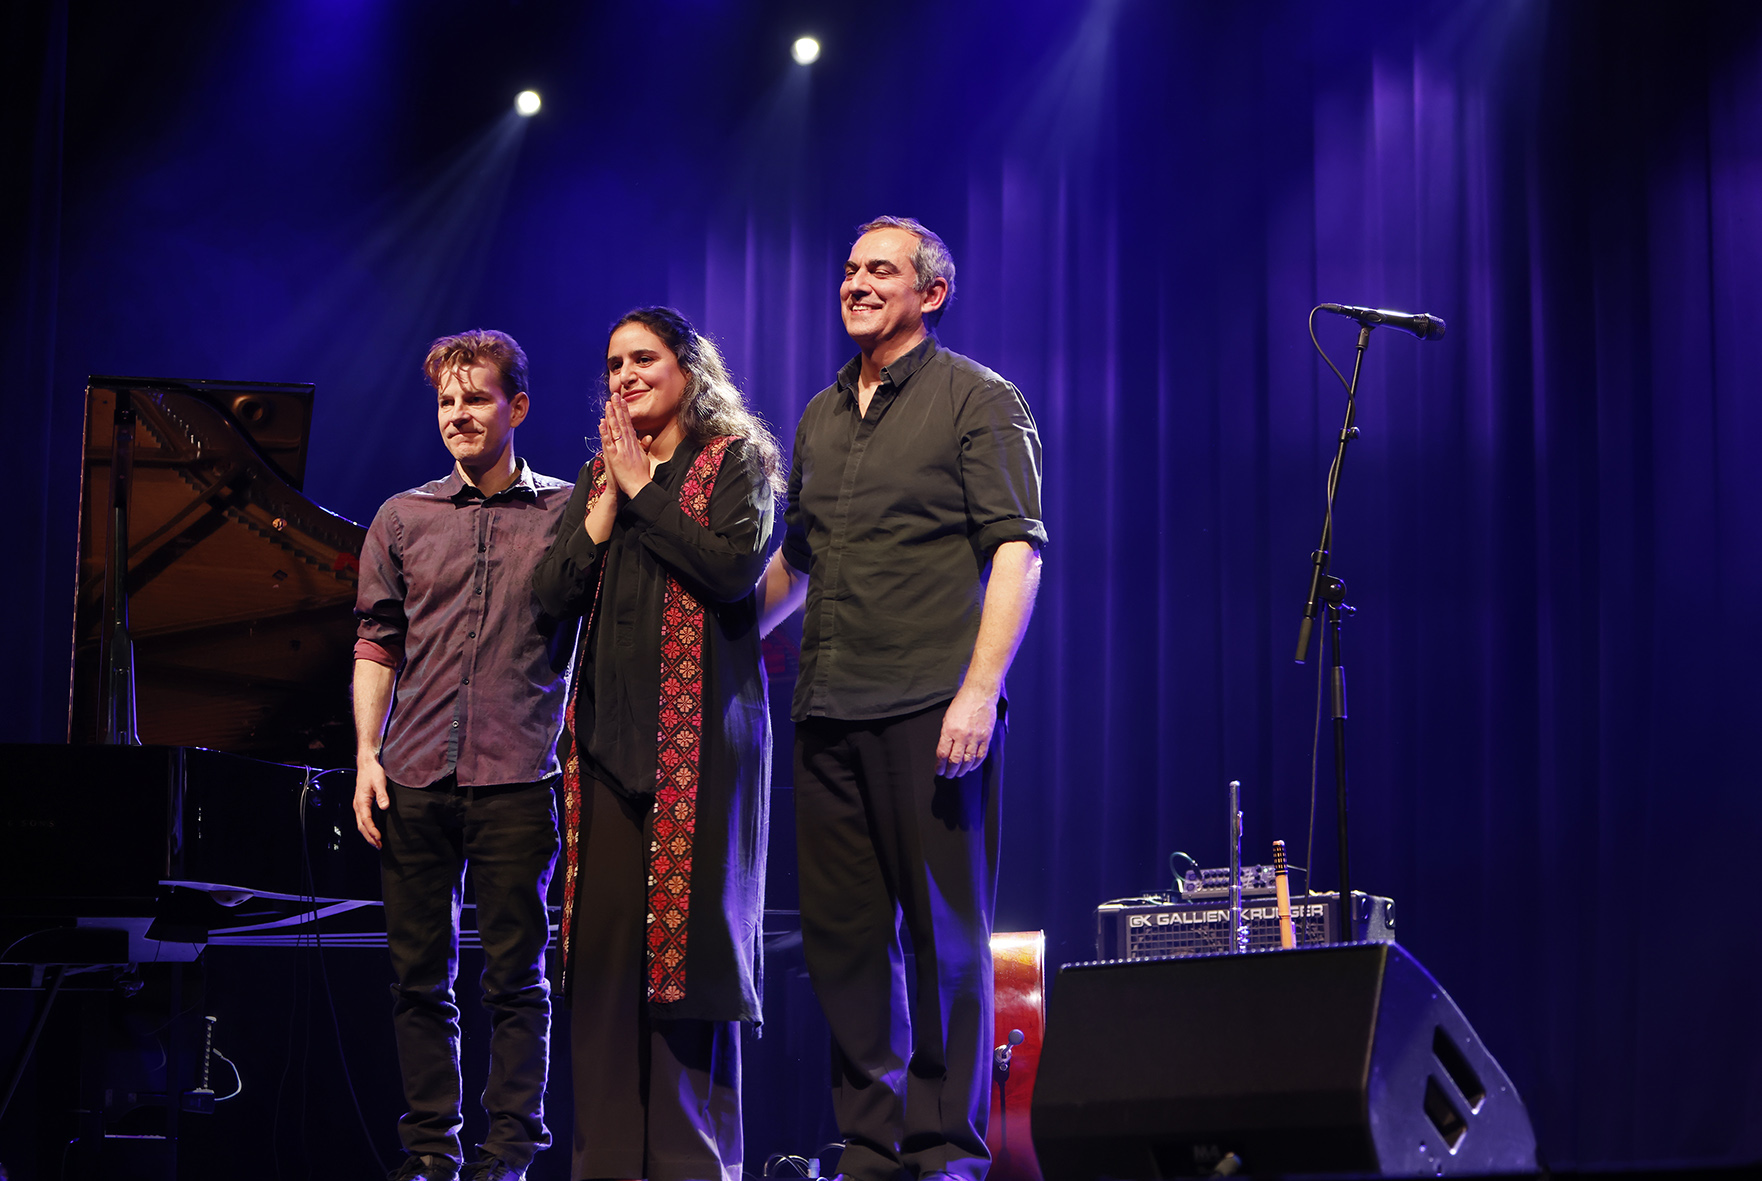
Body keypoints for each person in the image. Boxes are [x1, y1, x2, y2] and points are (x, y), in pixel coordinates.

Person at [759, 217, 1046, 1181]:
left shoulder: (977, 398)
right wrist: (716, 636)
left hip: (932, 707)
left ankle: (945, 1148)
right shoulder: (820, 413)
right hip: (828, 711)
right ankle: (872, 1145)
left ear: (931, 293)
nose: (856, 282)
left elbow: (1017, 551)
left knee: (943, 939)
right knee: (843, 942)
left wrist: (980, 692)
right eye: (849, 268)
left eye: (880, 269)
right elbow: (797, 562)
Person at [532, 307, 778, 1181]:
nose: (625, 375)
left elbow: (731, 569)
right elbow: (549, 596)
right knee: (605, 973)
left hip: (699, 755)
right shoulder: (599, 475)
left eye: (644, 358)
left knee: (687, 968)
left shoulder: (736, 462)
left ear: (688, 370)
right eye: (613, 364)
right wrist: (605, 510)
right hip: (603, 754)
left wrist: (644, 491)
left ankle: (691, 1166)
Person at [354, 329, 576, 1181]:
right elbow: (377, 644)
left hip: (519, 774)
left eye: (476, 397)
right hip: (414, 773)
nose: (458, 413)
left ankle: (508, 1155)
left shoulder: (567, 510)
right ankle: (429, 1153)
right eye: (447, 400)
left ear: (517, 405)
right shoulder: (402, 517)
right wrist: (367, 754)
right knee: (418, 978)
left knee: (516, 980)